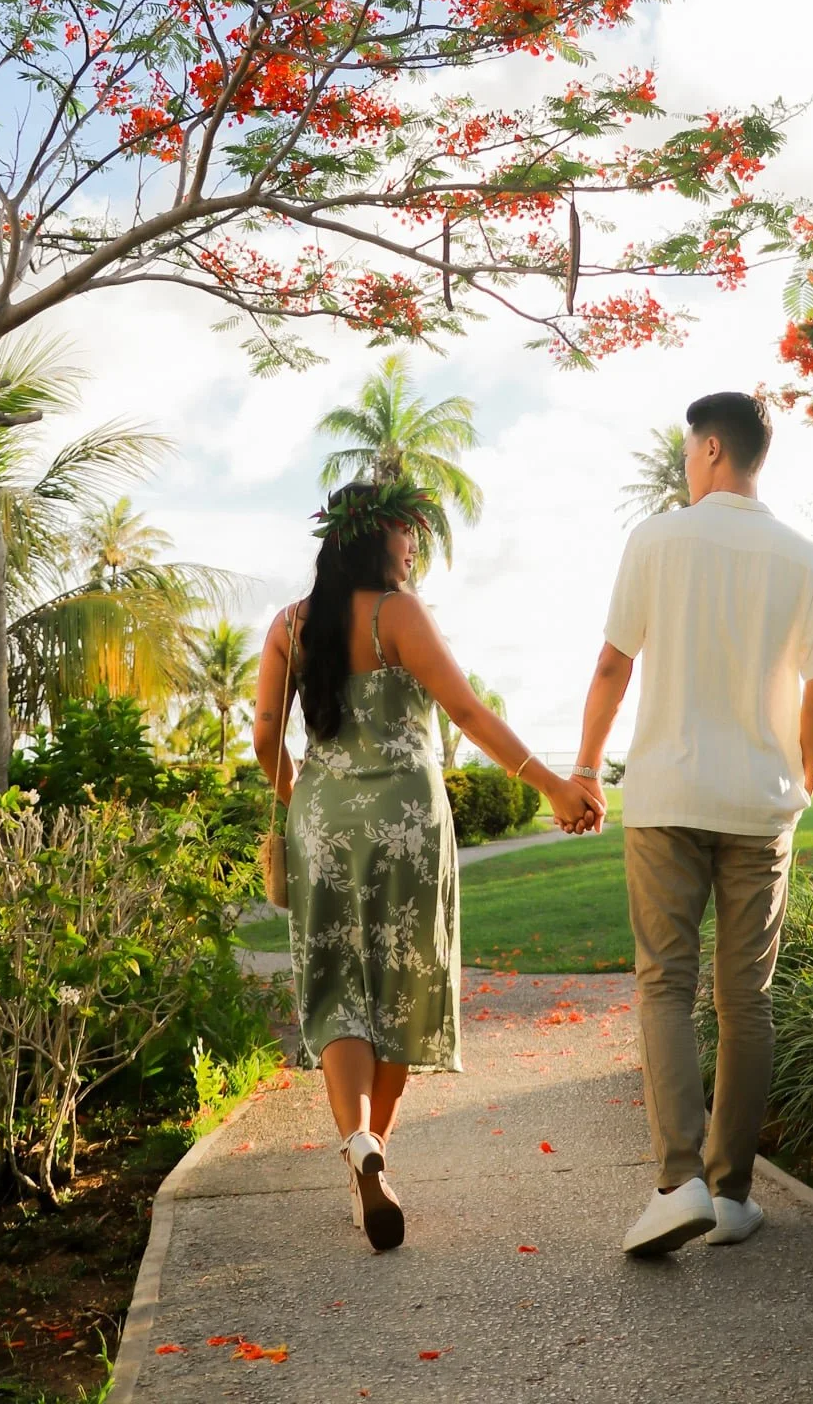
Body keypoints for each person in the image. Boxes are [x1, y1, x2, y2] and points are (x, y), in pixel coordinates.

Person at [254, 478, 602, 1253]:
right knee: (403, 984)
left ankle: (359, 1151)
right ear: (375, 538)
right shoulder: (398, 614)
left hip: (321, 819)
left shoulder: (288, 624)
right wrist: (553, 786)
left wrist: (307, 802)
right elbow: (468, 713)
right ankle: (377, 1150)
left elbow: (264, 740)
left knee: (338, 987)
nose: (415, 549)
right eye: (408, 535)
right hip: (407, 823)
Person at [570, 391, 813, 1256]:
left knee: (664, 985)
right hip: (758, 807)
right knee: (744, 1001)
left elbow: (614, 663)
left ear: (714, 450)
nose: (687, 464)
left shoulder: (657, 539)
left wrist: (583, 766)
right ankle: (728, 1196)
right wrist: (802, 774)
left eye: (690, 451)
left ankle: (676, 1180)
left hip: (667, 796)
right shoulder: (806, 558)